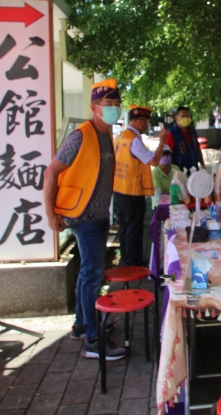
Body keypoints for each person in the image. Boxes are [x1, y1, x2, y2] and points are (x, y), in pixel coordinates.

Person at [43, 79, 126, 360]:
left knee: (87, 273)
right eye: (108, 104)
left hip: (98, 216)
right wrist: (50, 214)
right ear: (94, 107)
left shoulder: (106, 135)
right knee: (93, 274)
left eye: (117, 104)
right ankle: (93, 339)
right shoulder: (80, 136)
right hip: (84, 216)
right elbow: (50, 173)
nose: (113, 109)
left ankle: (81, 324)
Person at [112, 105, 167, 267]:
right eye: (148, 123)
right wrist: (162, 142)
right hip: (132, 190)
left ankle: (126, 259)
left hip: (119, 188)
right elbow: (154, 161)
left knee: (125, 226)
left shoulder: (121, 136)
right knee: (134, 227)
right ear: (142, 122)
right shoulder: (134, 140)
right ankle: (133, 262)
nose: (148, 126)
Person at [165, 106, 205, 172]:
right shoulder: (171, 133)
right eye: (183, 116)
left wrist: (203, 165)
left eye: (188, 116)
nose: (185, 118)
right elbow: (167, 155)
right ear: (176, 117)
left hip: (194, 170)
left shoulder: (192, 131)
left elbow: (197, 148)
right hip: (179, 172)